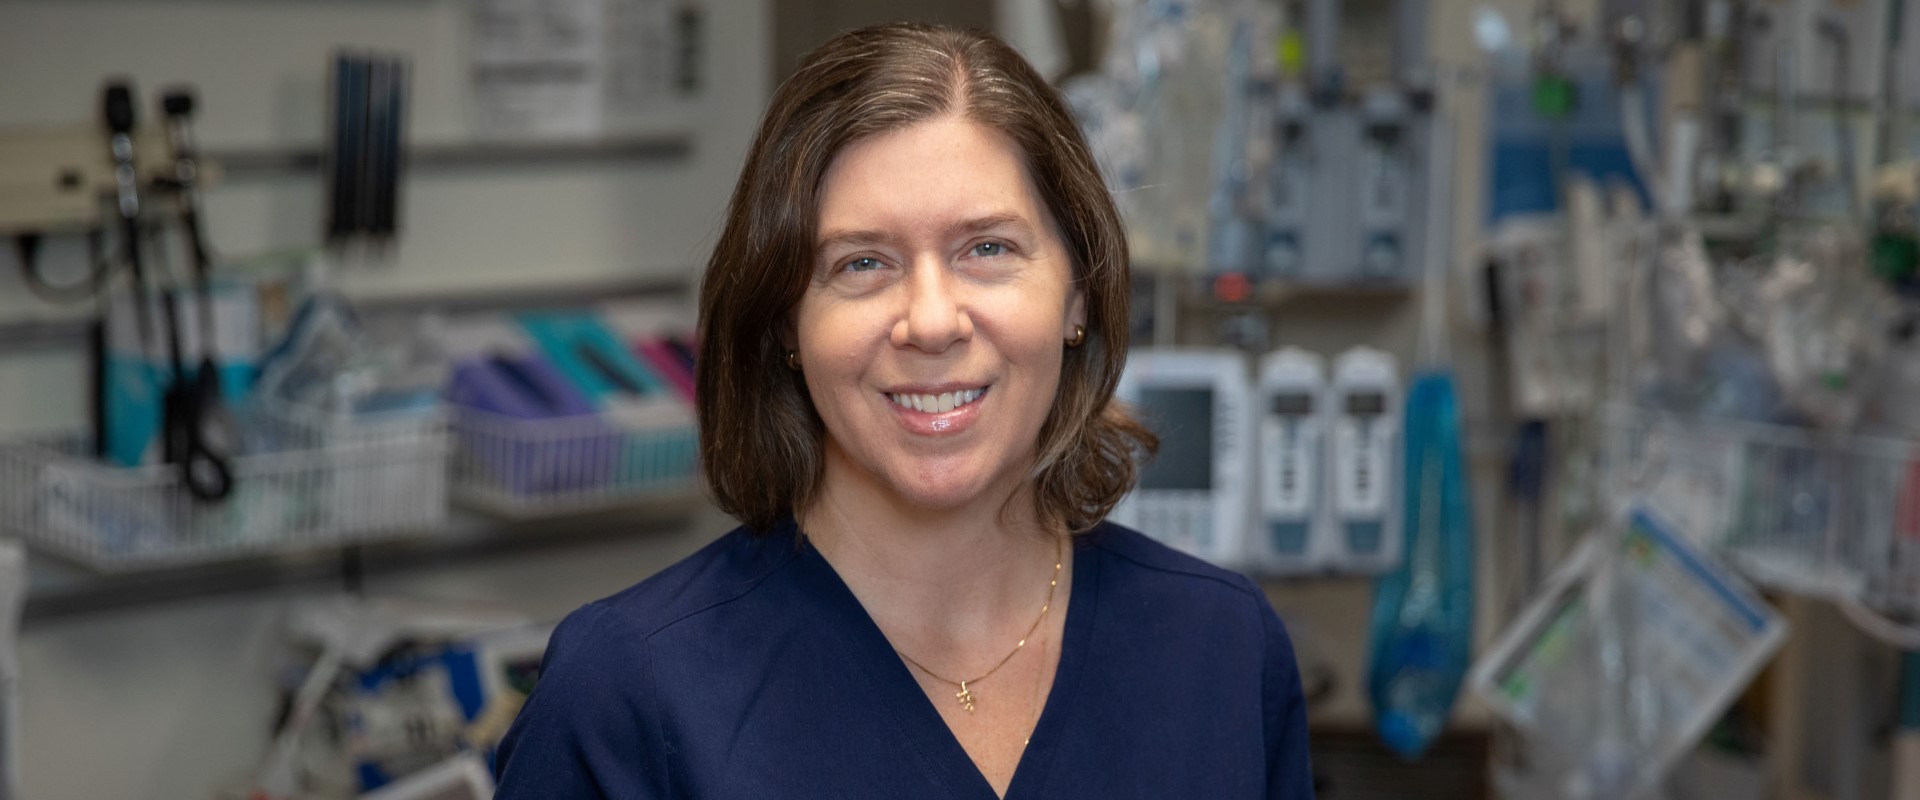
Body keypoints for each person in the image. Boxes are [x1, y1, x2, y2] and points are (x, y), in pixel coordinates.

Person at [493, 22, 1313, 799]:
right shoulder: (630, 693)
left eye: (987, 248)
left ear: (1079, 296)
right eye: (862, 263)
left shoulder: (1222, 651)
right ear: (787, 321)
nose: (930, 321)